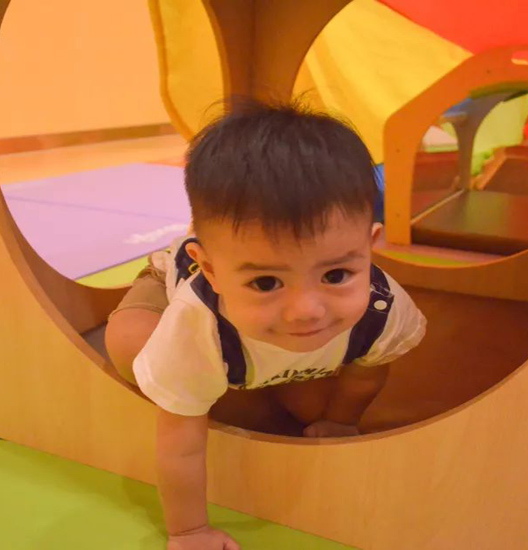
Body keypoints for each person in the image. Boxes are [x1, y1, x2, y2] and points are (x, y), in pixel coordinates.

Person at [105, 100, 427, 550]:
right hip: (168, 285)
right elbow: (181, 443)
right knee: (132, 347)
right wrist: (189, 530)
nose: (306, 310)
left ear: (370, 247)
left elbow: (366, 373)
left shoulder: (380, 306)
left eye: (336, 275)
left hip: (249, 342)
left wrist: (341, 421)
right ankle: (222, 360)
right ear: (211, 269)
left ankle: (250, 360)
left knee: (310, 411)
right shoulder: (196, 318)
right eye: (266, 282)